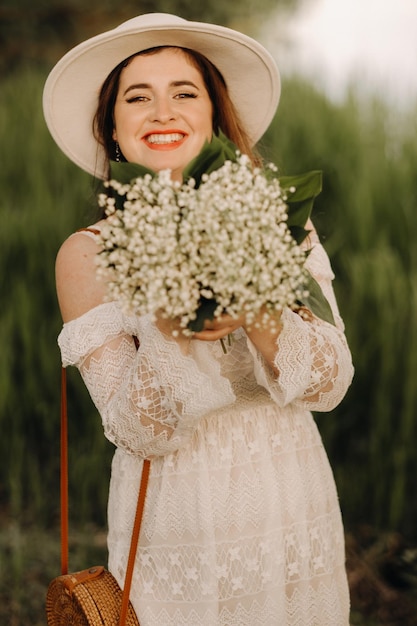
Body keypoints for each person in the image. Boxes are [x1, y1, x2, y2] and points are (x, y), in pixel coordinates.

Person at [43, 12, 354, 625]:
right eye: (139, 97)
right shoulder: (87, 253)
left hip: (293, 500)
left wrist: (254, 304)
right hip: (180, 522)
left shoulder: (275, 216)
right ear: (111, 127)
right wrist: (170, 322)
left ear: (214, 114)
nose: (163, 111)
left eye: (185, 93)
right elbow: (139, 431)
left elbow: (330, 384)